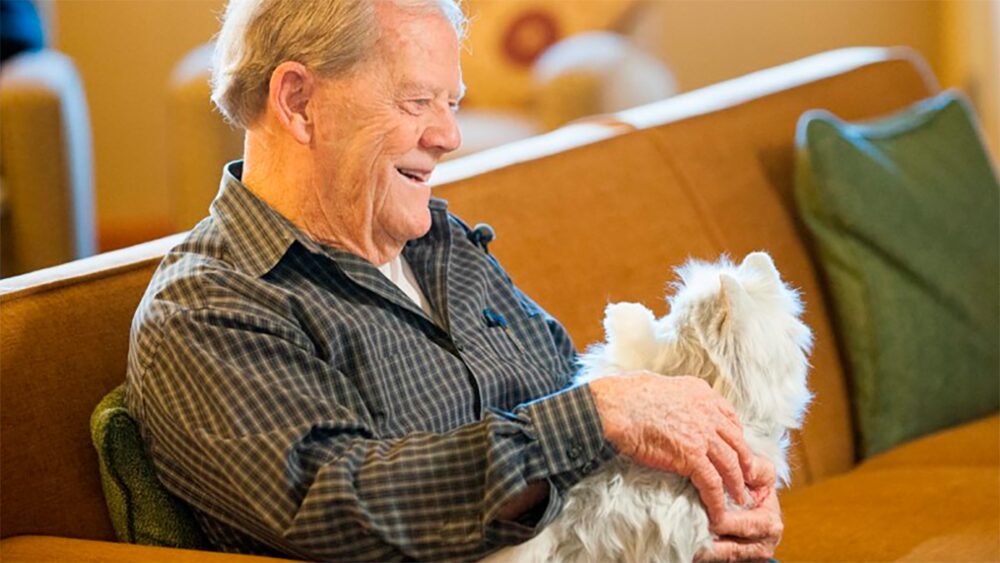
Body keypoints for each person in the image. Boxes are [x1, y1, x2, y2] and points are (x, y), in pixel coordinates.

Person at [126, 0, 783, 560]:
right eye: (419, 101)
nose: (451, 135)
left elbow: (575, 414)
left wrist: (710, 493)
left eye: (451, 103)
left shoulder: (445, 245)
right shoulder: (211, 304)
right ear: (299, 102)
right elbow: (339, 502)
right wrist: (600, 413)